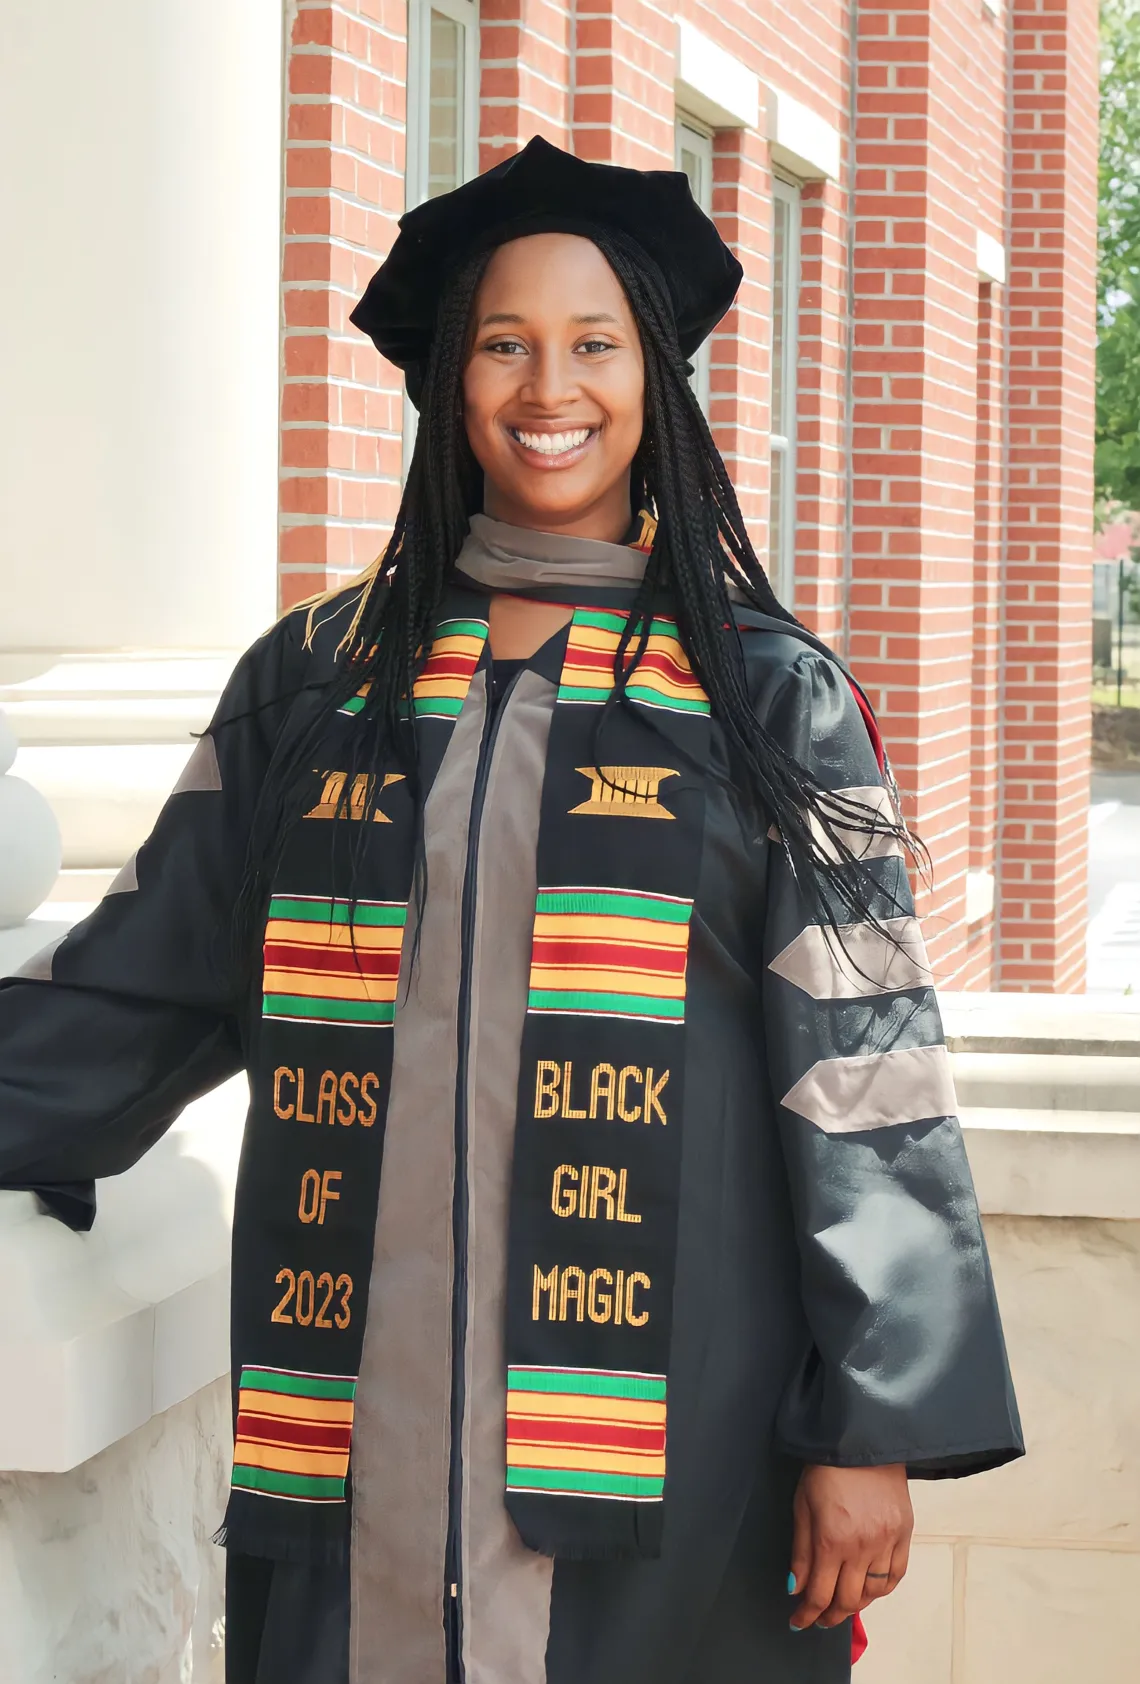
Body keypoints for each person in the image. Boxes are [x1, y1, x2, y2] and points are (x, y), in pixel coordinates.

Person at [0, 137, 1022, 1684]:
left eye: (595, 343)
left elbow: (868, 1075)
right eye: (504, 343)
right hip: (355, 1422)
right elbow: (151, 979)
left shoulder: (763, 699)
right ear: (450, 385)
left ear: (657, 377)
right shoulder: (320, 682)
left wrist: (874, 1426)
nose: (552, 387)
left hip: (675, 1434)